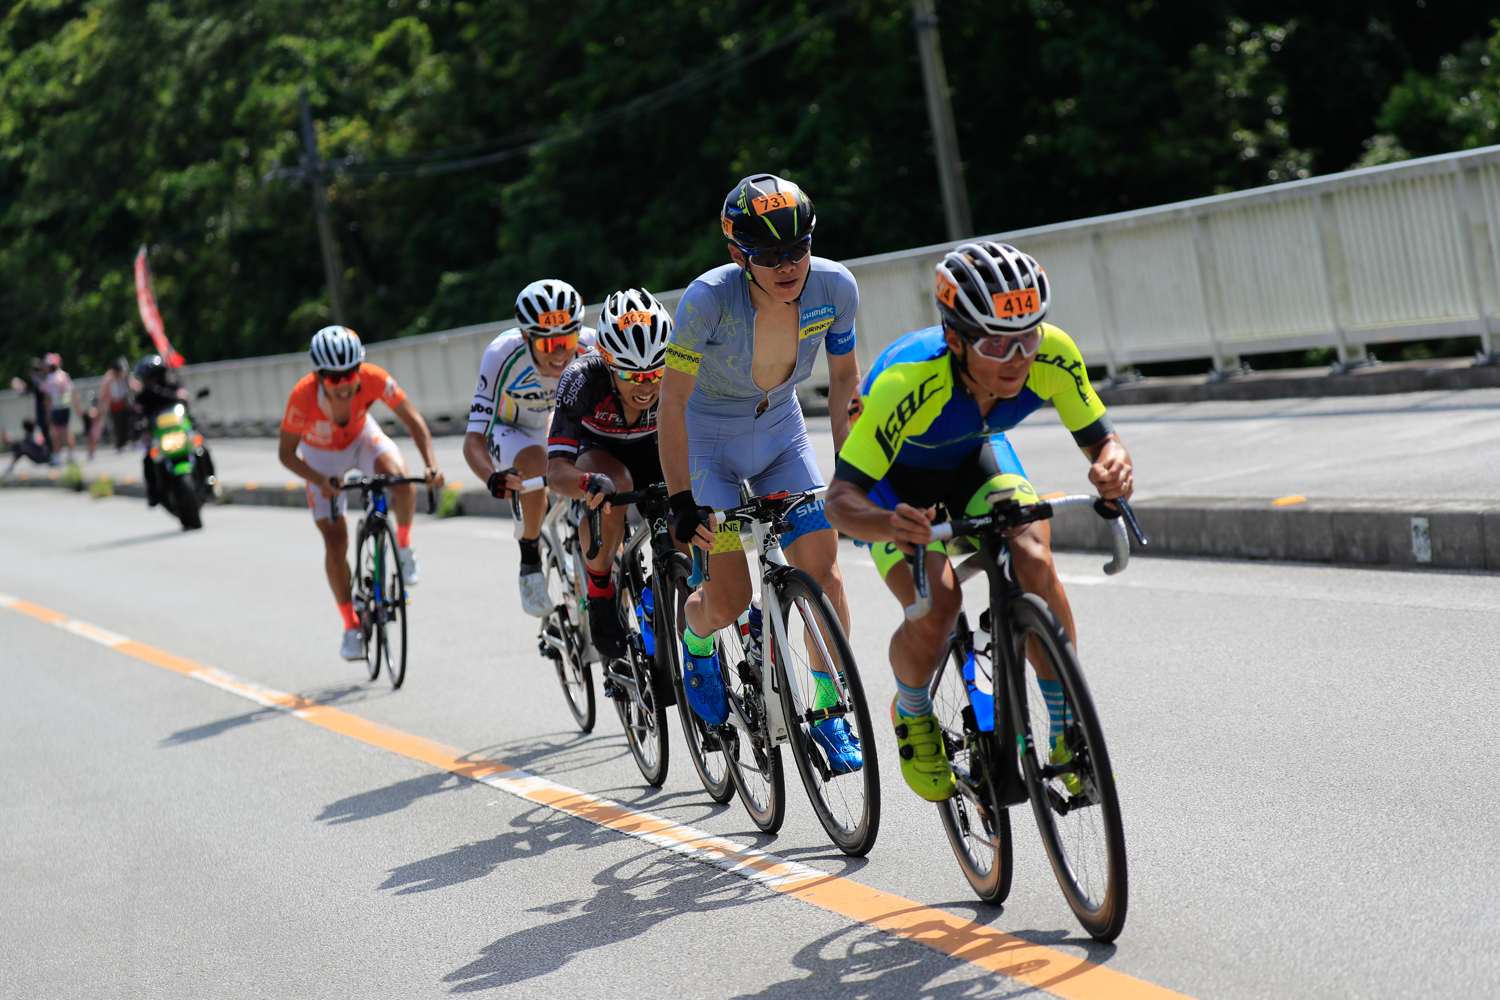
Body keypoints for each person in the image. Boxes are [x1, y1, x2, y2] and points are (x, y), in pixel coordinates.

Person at [824, 241, 1135, 802]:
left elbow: (1103, 442)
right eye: (996, 343)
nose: (1019, 358)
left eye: (1028, 336)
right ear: (955, 340)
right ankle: (913, 711)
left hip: (974, 460)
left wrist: (1113, 467)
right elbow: (840, 501)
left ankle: (1065, 728)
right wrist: (888, 524)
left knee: (1034, 558)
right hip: (898, 487)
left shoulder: (1053, 355)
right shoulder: (907, 384)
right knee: (938, 606)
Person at [659, 174, 863, 771]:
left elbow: (846, 379)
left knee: (823, 576)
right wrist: (680, 499)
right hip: (710, 452)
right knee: (730, 598)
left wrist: (849, 473)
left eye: (798, 248)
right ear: (737, 256)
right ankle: (695, 640)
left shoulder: (836, 286)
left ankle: (829, 711)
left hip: (781, 436)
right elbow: (671, 403)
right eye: (768, 255)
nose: (787, 265)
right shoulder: (706, 300)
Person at [277, 326, 445, 661]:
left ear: (359, 368)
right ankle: (351, 626)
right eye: (333, 378)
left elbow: (413, 421)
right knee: (336, 541)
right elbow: (286, 454)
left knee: (400, 480)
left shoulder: (374, 378)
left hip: (361, 438)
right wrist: (319, 480)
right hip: (320, 458)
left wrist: (431, 465)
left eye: (349, 374)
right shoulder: (302, 396)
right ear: (318, 375)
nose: (343, 384)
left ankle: (404, 545)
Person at [545, 288, 673, 656]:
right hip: (599, 453)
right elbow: (556, 472)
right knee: (615, 485)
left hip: (654, 446)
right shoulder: (581, 377)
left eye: (655, 372)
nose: (647, 386)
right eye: (633, 375)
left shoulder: (680, 364)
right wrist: (586, 483)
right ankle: (600, 591)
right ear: (607, 360)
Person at [463, 280, 595, 617]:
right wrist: (492, 476)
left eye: (566, 340)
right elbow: (473, 439)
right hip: (513, 429)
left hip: (561, 421)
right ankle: (530, 559)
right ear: (525, 337)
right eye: (548, 344)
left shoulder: (593, 346)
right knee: (539, 465)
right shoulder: (501, 355)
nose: (560, 352)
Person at [133, 354, 192, 506]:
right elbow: (135, 414)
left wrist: (183, 400)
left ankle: (210, 482)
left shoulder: (172, 385)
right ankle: (153, 492)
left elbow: (183, 396)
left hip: (179, 429)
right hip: (159, 436)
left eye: (150, 378)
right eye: (145, 379)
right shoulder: (143, 396)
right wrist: (139, 427)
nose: (147, 382)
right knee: (148, 459)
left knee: (201, 447)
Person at [9, 359, 53, 460]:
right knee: (46, 432)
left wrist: (20, 387)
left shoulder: (37, 381)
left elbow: (27, 390)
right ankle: (49, 453)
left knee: (46, 432)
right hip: (43, 410)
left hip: (42, 410)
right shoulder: (41, 379)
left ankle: (50, 454)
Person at [94, 357, 137, 453]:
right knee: (117, 426)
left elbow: (131, 385)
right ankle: (119, 444)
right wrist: (100, 407)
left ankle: (129, 441)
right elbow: (103, 394)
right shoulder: (108, 379)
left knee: (127, 424)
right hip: (114, 405)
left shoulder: (124, 376)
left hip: (124, 403)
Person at [42, 353, 75, 465]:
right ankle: (72, 454)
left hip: (56, 409)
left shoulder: (50, 379)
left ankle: (58, 457)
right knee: (66, 431)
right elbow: (72, 391)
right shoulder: (65, 376)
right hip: (66, 407)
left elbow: (48, 399)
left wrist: (47, 414)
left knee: (55, 433)